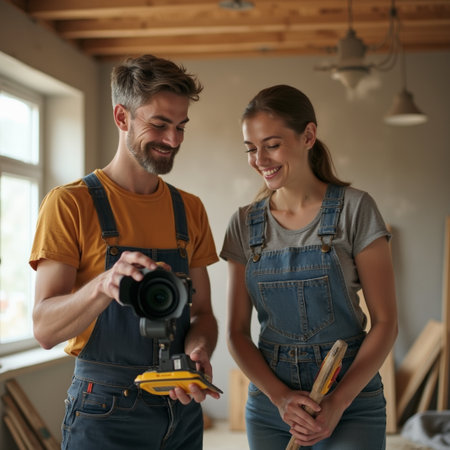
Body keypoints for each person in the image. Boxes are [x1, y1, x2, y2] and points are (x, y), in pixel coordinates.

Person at [30, 54, 220, 450]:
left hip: (181, 411)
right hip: (104, 411)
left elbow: (203, 315)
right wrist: (103, 284)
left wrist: (197, 351)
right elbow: (45, 329)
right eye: (160, 124)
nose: (174, 140)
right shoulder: (70, 204)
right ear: (121, 117)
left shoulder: (190, 209)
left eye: (181, 126)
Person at [220, 84, 397, 450]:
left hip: (350, 402)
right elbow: (237, 333)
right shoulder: (243, 224)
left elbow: (386, 323)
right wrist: (280, 398)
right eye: (251, 149)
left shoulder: (355, 209)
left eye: (272, 144)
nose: (260, 159)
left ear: (308, 136)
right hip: (272, 408)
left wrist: (337, 402)